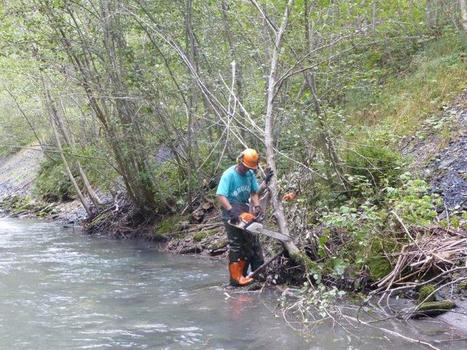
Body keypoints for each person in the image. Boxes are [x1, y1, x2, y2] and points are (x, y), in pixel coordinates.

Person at [216, 148, 273, 286]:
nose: (247, 170)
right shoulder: (229, 175)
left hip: (244, 208)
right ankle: (236, 279)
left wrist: (257, 206)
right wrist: (230, 211)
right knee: (236, 244)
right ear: (240, 161)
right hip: (230, 209)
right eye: (246, 167)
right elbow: (220, 195)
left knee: (251, 241)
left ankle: (252, 274)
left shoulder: (250, 175)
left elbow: (254, 192)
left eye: (250, 168)